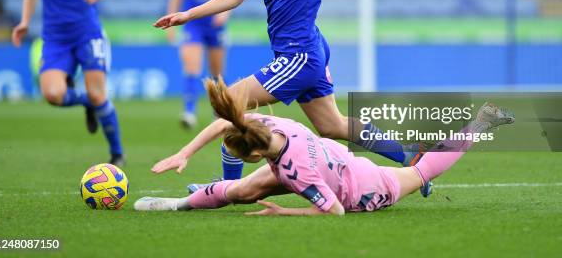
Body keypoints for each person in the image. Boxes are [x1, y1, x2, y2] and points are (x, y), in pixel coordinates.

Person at [153, 0, 436, 191]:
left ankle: (225, 188)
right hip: (302, 51)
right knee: (332, 125)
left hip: (299, 56)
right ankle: (409, 156)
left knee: (230, 102)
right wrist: (187, 14)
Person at [134, 77, 515, 214]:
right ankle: (178, 204)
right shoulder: (276, 125)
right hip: (336, 163)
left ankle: (482, 121)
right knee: (243, 191)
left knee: (421, 171)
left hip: (364, 189)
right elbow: (228, 121)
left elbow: (333, 211)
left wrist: (285, 213)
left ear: (254, 155)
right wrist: (185, 152)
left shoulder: (297, 173)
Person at [12, 0, 124, 166]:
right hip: (55, 37)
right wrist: (25, 21)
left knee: (100, 94)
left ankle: (117, 153)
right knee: (52, 95)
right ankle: (87, 104)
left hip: (87, 33)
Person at [166, 0, 233, 129]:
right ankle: (189, 111)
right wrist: (171, 24)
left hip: (215, 24)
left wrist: (224, 15)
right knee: (191, 66)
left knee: (216, 72)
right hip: (192, 23)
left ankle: (219, 112)